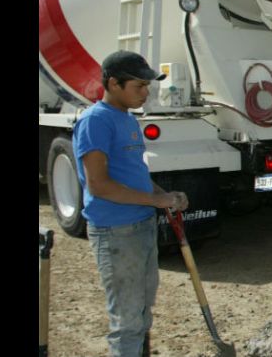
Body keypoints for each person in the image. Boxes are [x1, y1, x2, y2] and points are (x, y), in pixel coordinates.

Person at [73, 50, 189, 356]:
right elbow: (99, 184)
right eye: (139, 86)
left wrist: (166, 196)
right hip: (116, 233)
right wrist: (155, 199)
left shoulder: (126, 119)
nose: (145, 93)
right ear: (113, 84)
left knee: (142, 312)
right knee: (127, 321)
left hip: (140, 226)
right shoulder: (95, 122)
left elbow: (134, 174)